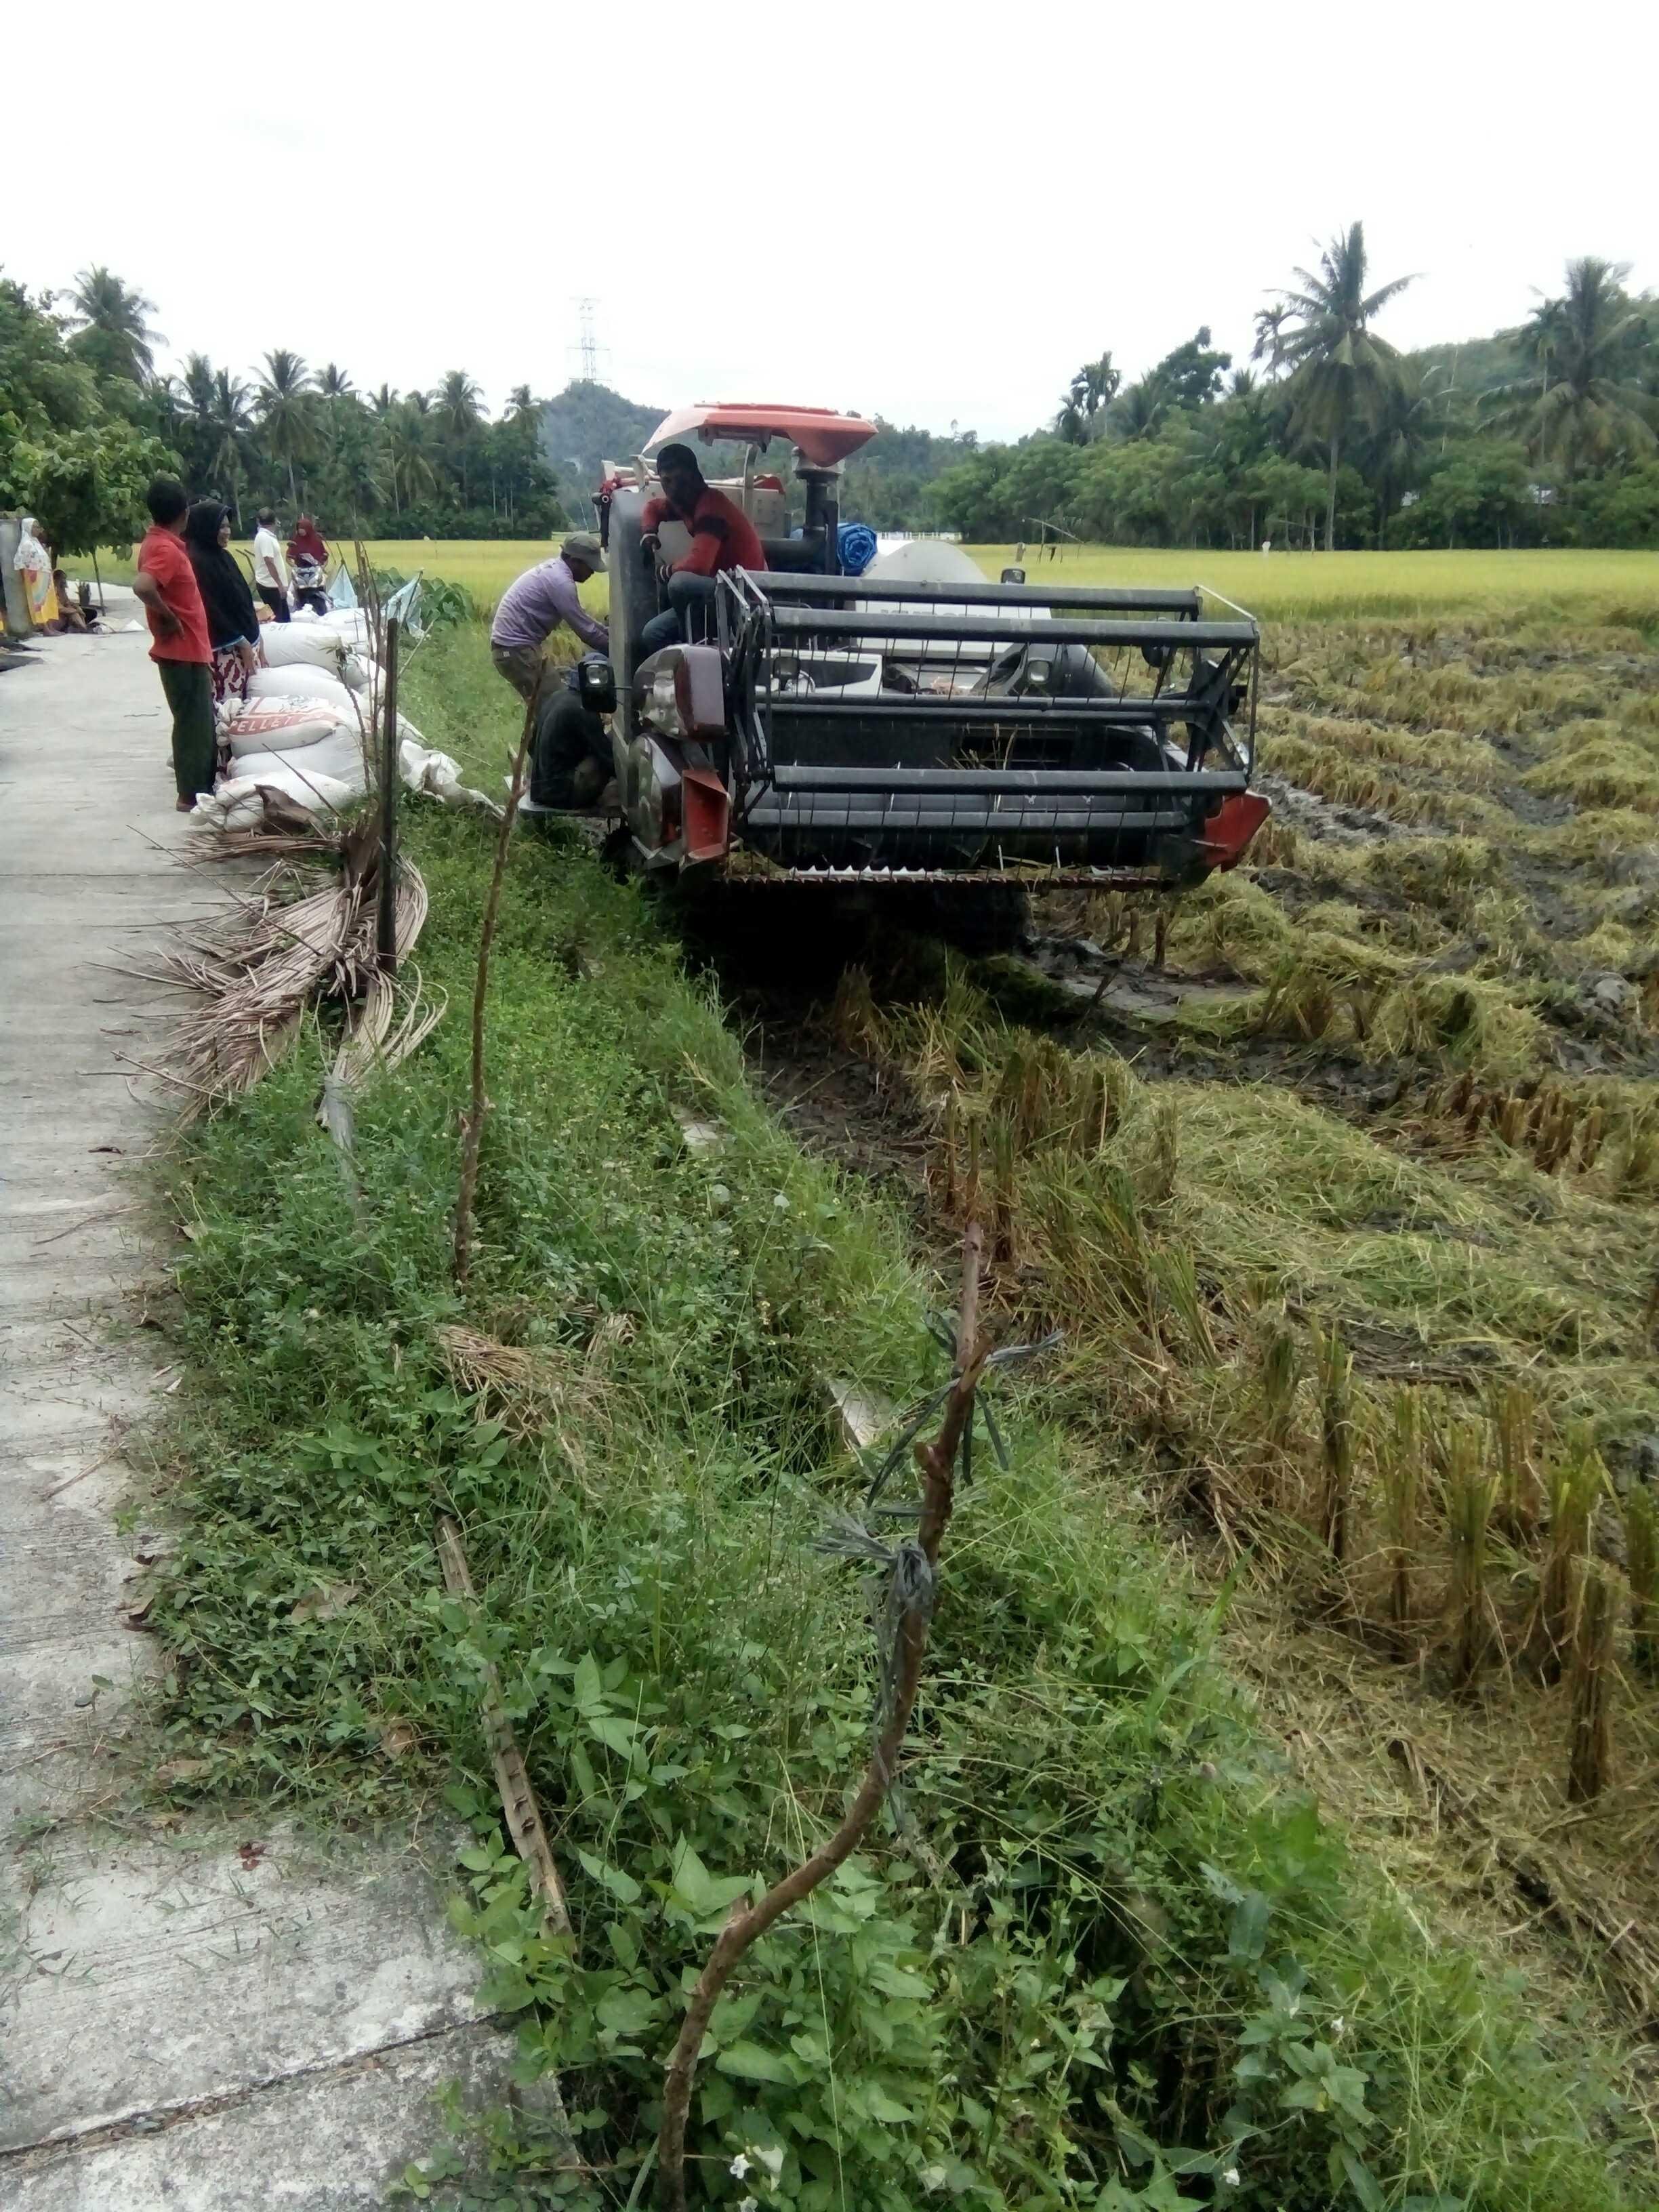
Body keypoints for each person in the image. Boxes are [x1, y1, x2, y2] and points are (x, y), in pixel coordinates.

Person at [636, 443, 764, 658]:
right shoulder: (684, 504)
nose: (674, 488)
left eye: (681, 480)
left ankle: (698, 656)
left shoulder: (711, 506)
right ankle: (677, 681)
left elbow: (699, 565)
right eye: (667, 481)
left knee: (678, 584)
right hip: (720, 590)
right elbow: (653, 507)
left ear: (695, 477)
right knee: (653, 634)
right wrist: (649, 533)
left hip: (743, 594)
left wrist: (666, 571)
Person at [132, 477, 214, 811]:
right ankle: (192, 794)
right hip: (182, 650)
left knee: (192, 722)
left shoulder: (157, 543)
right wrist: (167, 616)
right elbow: (143, 586)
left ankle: (193, 789)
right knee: (195, 725)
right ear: (184, 513)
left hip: (182, 649)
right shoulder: (166, 549)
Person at [489, 532, 608, 702]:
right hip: (516, 650)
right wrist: (617, 650)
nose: (592, 572)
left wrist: (607, 632)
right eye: (590, 566)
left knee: (545, 709)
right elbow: (585, 631)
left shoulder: (555, 571)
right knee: (556, 704)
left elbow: (583, 618)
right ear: (575, 561)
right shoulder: (561, 582)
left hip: (513, 648)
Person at [184, 500, 262, 732]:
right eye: (221, 527)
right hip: (225, 650)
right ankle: (222, 762)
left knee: (245, 708)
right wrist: (239, 640)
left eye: (228, 526)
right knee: (229, 711)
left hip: (244, 646)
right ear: (206, 528)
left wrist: (257, 637)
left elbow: (242, 600)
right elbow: (210, 609)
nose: (227, 532)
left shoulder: (223, 557)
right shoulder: (197, 562)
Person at [518, 654, 615, 815]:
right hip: (561, 797)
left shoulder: (555, 697)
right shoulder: (584, 710)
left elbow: (531, 747)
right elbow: (608, 758)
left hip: (538, 790)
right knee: (602, 758)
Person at [12, 518, 59, 630]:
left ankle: (51, 627)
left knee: (47, 603)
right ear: (28, 528)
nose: (39, 530)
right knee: (39, 604)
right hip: (35, 580)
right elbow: (22, 563)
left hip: (44, 577)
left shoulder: (37, 543)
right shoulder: (26, 544)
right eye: (36, 527)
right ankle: (45, 629)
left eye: (39, 527)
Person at [251, 508, 290, 621]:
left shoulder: (267, 536)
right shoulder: (265, 537)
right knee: (279, 620)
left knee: (284, 618)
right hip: (270, 585)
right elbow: (269, 561)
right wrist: (280, 585)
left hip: (273, 585)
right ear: (275, 521)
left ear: (258, 521)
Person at [286, 514, 329, 613]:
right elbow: (288, 557)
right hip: (300, 573)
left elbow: (325, 557)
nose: (301, 531)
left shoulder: (317, 541)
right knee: (294, 594)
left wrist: (321, 567)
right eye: (299, 528)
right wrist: (295, 566)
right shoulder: (296, 540)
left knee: (319, 592)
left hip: (315, 572)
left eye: (303, 528)